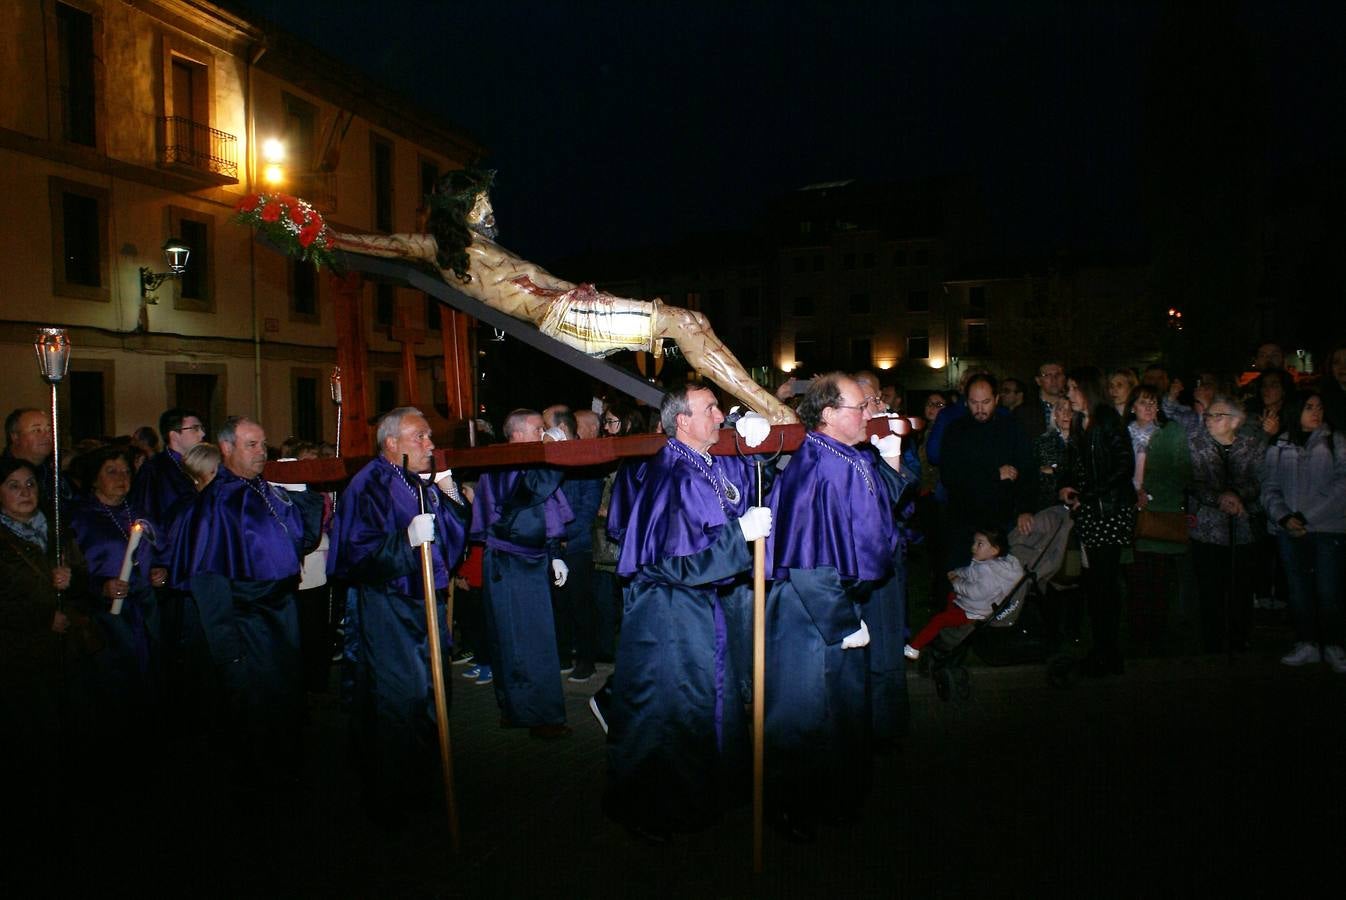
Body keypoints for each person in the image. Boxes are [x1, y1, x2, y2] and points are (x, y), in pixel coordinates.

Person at [328, 169, 797, 425]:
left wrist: (579, 290)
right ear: (462, 208)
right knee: (689, 323)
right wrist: (313, 230)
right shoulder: (438, 249)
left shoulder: (488, 248)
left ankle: (769, 409)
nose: (489, 207)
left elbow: (539, 283)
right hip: (567, 319)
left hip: (573, 308)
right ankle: (772, 411)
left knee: (689, 320)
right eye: (480, 201)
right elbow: (381, 243)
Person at [604, 384, 770, 841]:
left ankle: (699, 796)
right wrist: (741, 536)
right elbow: (680, 564)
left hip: (695, 608)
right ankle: (662, 811)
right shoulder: (673, 474)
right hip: (668, 614)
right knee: (671, 711)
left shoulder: (701, 461)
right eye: (711, 409)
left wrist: (755, 439)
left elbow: (741, 479)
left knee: (702, 703)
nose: (719, 415)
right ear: (682, 421)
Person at [763, 373, 905, 840]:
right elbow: (804, 560)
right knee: (805, 714)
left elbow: (875, 508)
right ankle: (794, 810)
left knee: (840, 711)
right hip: (812, 610)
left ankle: (836, 799)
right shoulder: (812, 467)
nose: (869, 414)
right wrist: (842, 622)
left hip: (836, 604)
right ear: (827, 414)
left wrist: (891, 460)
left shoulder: (845, 455)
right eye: (860, 407)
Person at [329, 407, 469, 818]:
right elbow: (356, 553)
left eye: (429, 437)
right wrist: (404, 541)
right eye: (420, 438)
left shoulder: (416, 482)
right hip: (388, 607)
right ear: (391, 444)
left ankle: (423, 785)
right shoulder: (367, 484)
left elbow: (454, 535)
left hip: (425, 604)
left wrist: (449, 494)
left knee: (430, 692)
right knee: (398, 699)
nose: (430, 445)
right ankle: (392, 796)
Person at [169, 416, 322, 788]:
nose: (261, 453)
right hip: (247, 623)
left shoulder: (263, 489)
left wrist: (303, 495)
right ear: (226, 449)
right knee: (255, 715)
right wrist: (228, 650)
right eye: (251, 445)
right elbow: (208, 581)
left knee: (284, 705)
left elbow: (302, 539)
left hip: (279, 615)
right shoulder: (214, 505)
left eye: (263, 444)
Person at [469, 409, 573, 739]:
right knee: (520, 640)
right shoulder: (504, 461)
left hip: (531, 560)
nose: (544, 434)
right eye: (538, 429)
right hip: (509, 563)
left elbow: (544, 511)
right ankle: (535, 714)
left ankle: (521, 709)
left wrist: (554, 554)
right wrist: (554, 449)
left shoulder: (527, 460)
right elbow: (529, 493)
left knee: (530, 638)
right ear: (516, 435)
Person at [0, 457, 94, 817]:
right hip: (20, 655)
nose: (25, 492)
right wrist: (40, 617)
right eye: (13, 485)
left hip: (66, 650)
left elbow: (84, 578)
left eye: (30, 485)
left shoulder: (55, 529)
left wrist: (72, 581)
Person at [67, 445, 167, 753]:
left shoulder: (138, 513)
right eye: (112, 472)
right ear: (94, 479)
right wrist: (101, 586)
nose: (121, 478)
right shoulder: (80, 518)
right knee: (113, 685)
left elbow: (160, 550)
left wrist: (160, 570)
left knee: (148, 680)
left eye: (126, 472)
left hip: (145, 610)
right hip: (107, 618)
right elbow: (70, 570)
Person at [1058, 367, 1135, 676]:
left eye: (1073, 389)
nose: (1069, 395)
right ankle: (1102, 648)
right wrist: (1067, 485)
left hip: (1109, 512)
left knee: (1104, 584)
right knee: (1094, 583)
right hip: (1092, 510)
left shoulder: (1106, 421)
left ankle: (1108, 651)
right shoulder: (1082, 424)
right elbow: (1077, 465)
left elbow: (1123, 466)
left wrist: (1090, 493)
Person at [1261, 392, 1346, 672]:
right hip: (1289, 529)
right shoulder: (1280, 444)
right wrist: (1283, 516)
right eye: (1309, 407)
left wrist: (1305, 516)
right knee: (1299, 591)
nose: (1316, 412)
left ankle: (1334, 645)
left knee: (1328, 590)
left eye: (1320, 407)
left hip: (1327, 528)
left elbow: (1341, 487)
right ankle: (1307, 642)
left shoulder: (1336, 441)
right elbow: (1269, 485)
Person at [1186, 396, 1263, 654]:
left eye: (1217, 415)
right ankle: (1213, 641)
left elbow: (1260, 480)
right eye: (1208, 415)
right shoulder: (1196, 444)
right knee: (1210, 588)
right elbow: (1193, 481)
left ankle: (1239, 638)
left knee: (1240, 588)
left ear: (1236, 421)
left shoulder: (1251, 446)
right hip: (1207, 529)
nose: (1209, 420)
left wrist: (1237, 495)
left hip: (1241, 529)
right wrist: (1219, 497)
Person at [938, 373, 1037, 570]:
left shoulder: (1011, 429)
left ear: (997, 399)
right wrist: (993, 474)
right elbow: (950, 476)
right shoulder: (956, 431)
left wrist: (1026, 508)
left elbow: (1027, 469)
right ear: (966, 402)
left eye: (986, 402)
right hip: (964, 520)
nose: (980, 409)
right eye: (974, 403)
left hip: (1000, 520)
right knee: (961, 579)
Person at [1122, 384, 1191, 656]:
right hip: (1130, 515)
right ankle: (1138, 635)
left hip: (1160, 512)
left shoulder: (1170, 432)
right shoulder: (1123, 434)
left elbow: (1181, 470)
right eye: (1143, 403)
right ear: (1132, 407)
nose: (1149, 409)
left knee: (1159, 578)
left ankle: (1159, 635)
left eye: (1153, 403)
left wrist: (1149, 494)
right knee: (1135, 577)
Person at [905, 528, 1023, 658]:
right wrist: (957, 572)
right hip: (978, 604)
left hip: (974, 612)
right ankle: (949, 619)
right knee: (952, 596)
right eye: (974, 542)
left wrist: (956, 581)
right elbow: (970, 572)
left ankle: (914, 648)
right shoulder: (996, 563)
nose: (973, 547)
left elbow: (976, 592)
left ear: (994, 550)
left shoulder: (987, 571)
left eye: (980, 544)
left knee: (939, 620)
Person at [128, 408, 206, 524]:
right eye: (195, 429)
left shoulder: (201, 464)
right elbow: (145, 516)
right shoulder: (154, 470)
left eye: (202, 428)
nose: (202, 434)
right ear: (174, 436)